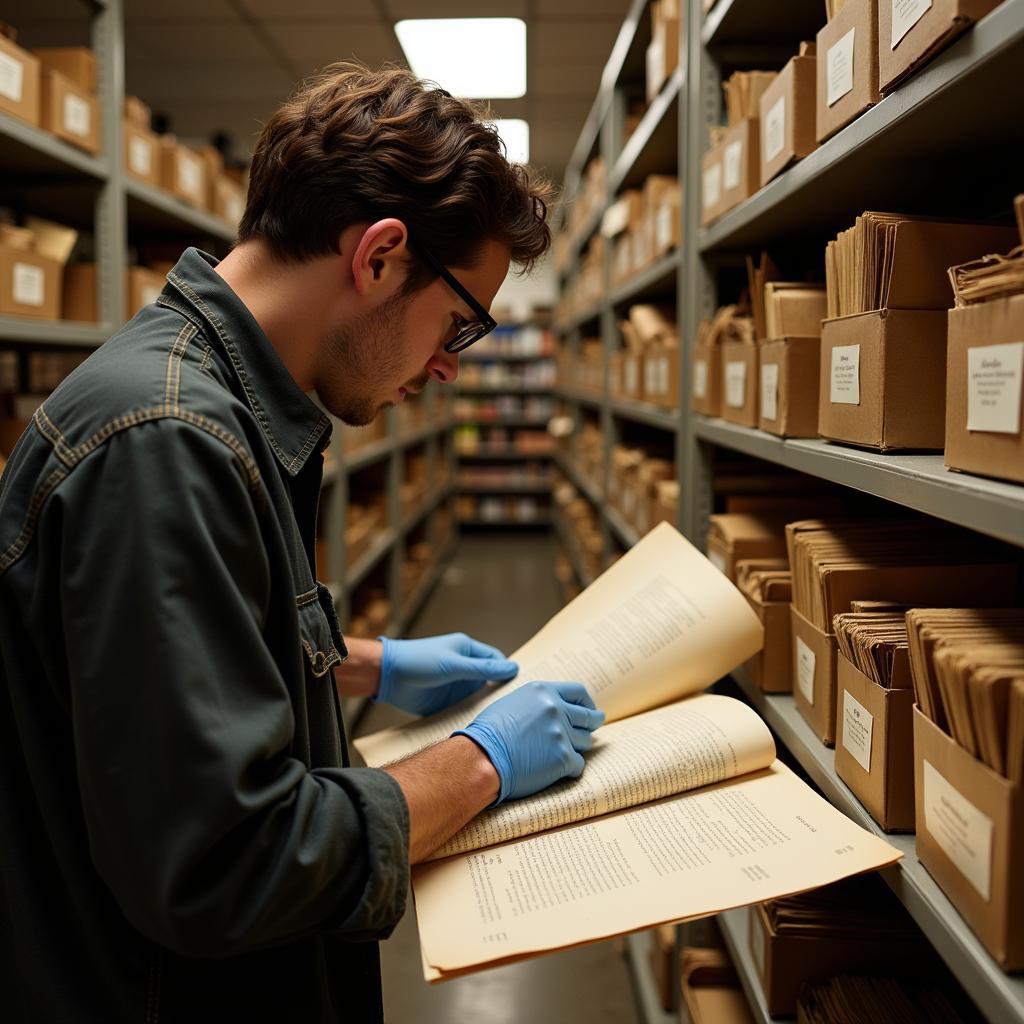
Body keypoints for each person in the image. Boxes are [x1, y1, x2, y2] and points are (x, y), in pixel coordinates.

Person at [0, 64, 605, 1023]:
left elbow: (148, 671)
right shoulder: (169, 444)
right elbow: (227, 864)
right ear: (379, 257)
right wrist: (480, 761)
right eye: (460, 322)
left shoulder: (211, 400)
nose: (450, 365)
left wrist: (358, 663)